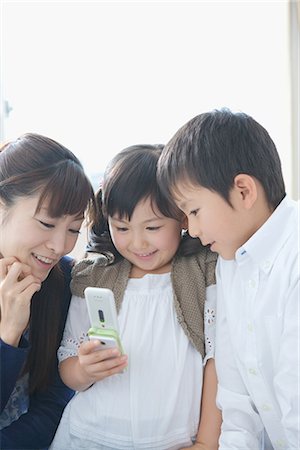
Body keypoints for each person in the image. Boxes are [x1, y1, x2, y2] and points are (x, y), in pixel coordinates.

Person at [50, 144, 222, 450]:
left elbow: (217, 362)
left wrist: (207, 442)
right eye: (122, 227)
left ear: (182, 218)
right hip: (89, 436)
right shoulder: (93, 276)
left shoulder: (203, 271)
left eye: (153, 227)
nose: (138, 242)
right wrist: (84, 369)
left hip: (174, 440)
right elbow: (68, 362)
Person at [156, 108, 299, 450]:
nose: (190, 228)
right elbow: (235, 397)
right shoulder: (229, 262)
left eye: (194, 210)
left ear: (244, 191)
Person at [0, 133, 96, 449]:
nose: (59, 246)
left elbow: (54, 403)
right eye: (46, 223)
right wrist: (9, 335)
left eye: (72, 229)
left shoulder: (64, 278)